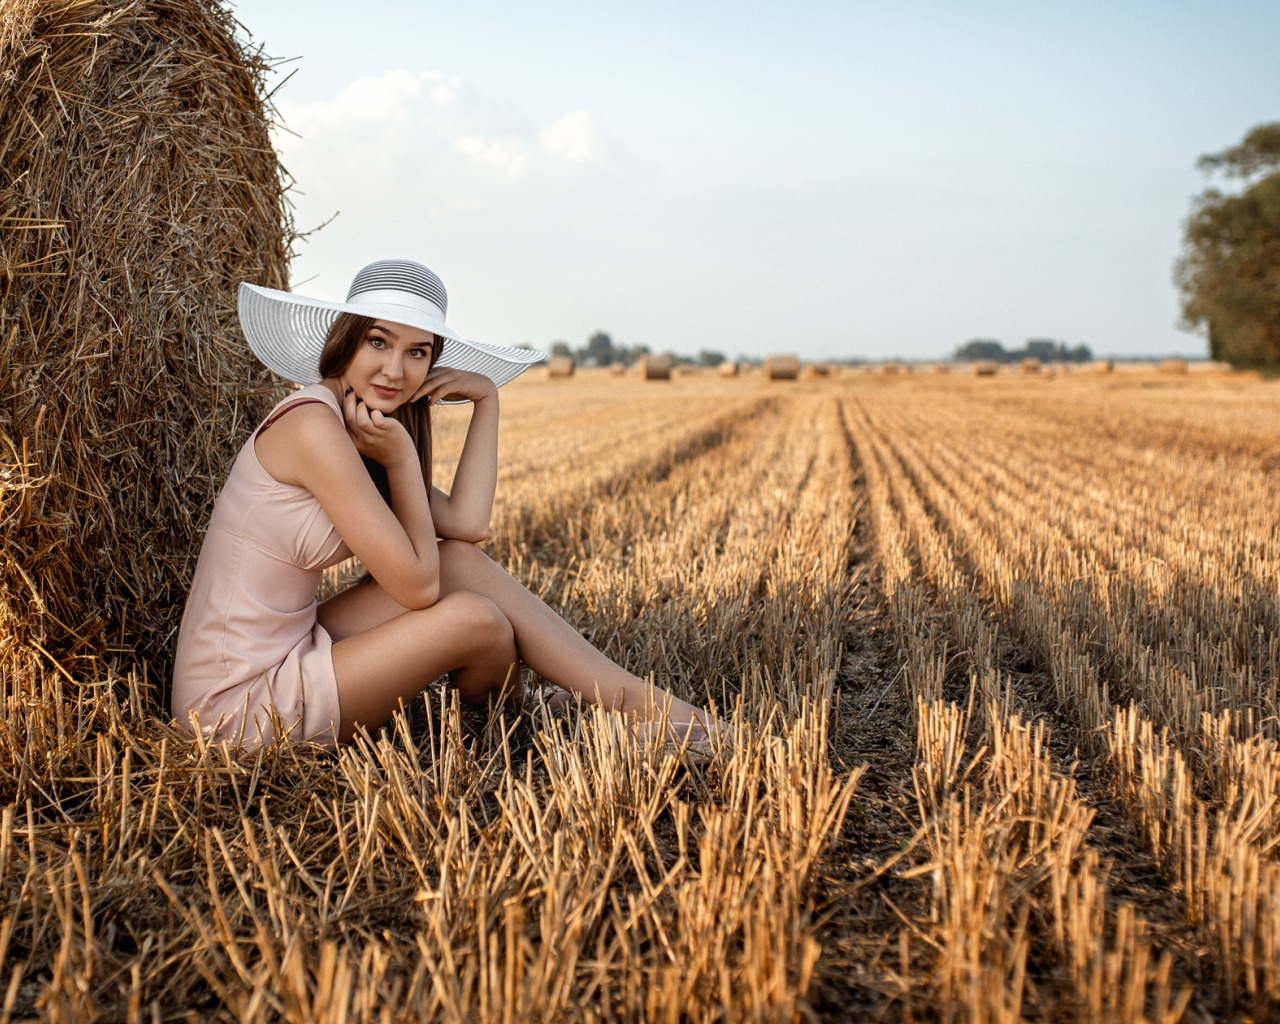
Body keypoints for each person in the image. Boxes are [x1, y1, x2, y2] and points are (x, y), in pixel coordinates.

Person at [172, 258, 721, 749]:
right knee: (474, 621)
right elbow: (418, 587)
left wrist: (488, 400)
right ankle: (590, 713)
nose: (395, 370)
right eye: (379, 343)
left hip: (295, 644)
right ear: (346, 340)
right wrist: (404, 461)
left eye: (418, 352)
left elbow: (466, 526)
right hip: (234, 705)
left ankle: (621, 708)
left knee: (463, 568)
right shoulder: (313, 426)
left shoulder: (352, 425)